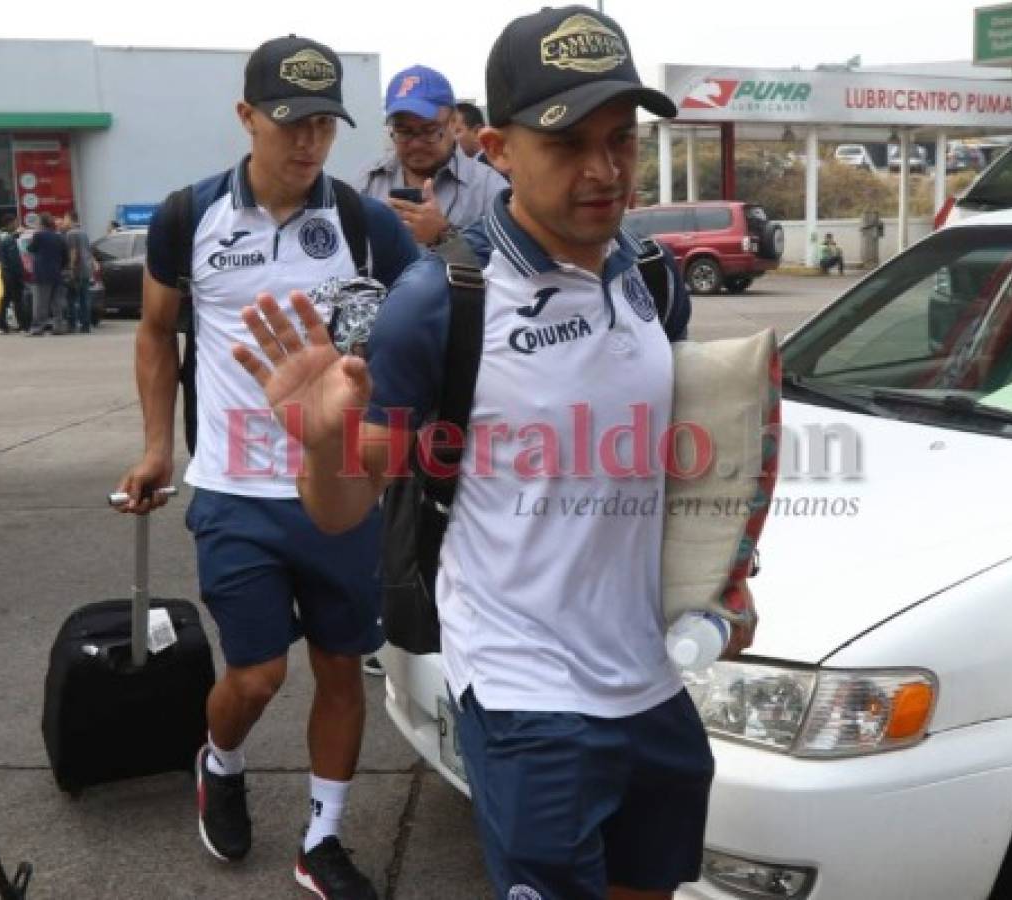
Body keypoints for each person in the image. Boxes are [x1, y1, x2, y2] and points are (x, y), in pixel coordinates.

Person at [234, 8, 759, 899]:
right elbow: (344, 508)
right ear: (497, 149)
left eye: (620, 139)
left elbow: (666, 466)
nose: (603, 170)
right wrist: (323, 448)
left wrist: (722, 575)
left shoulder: (652, 279)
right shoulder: (439, 304)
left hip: (653, 681)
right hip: (526, 698)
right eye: (566, 143)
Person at [115, 34, 418, 900]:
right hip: (235, 490)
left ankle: (321, 839)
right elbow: (154, 332)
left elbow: (423, 320)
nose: (307, 142)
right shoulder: (189, 216)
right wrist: (155, 447)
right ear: (247, 116)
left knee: (337, 666)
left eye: (325, 123)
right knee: (254, 676)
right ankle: (222, 757)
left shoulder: (365, 222)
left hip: (341, 487)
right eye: (289, 121)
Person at [355, 65, 506, 247]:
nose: (416, 143)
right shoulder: (368, 181)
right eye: (404, 131)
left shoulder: (489, 189)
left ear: (452, 122)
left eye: (429, 131)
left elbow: (506, 271)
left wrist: (444, 237)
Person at [26, 213, 68, 335]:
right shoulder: (59, 237)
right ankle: (58, 327)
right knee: (57, 303)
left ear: (41, 223)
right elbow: (65, 257)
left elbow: (30, 249)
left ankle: (38, 328)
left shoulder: (38, 235)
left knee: (40, 303)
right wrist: (59, 267)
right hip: (57, 274)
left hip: (41, 274)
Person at [62, 211, 93, 334]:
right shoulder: (84, 233)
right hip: (86, 269)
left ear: (70, 219)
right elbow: (88, 251)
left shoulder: (71, 234)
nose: (64, 222)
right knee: (84, 299)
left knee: (71, 299)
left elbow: (73, 252)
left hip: (77, 270)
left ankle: (72, 325)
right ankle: (86, 325)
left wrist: (70, 268)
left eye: (65, 218)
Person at [0, 214, 25, 334]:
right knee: (15, 299)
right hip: (9, 272)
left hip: (10, 272)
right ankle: (21, 326)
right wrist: (17, 234)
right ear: (10, 223)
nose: (17, 224)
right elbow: (11, 253)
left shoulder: (11, 237)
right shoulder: (3, 236)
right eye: (15, 222)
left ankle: (3, 325)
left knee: (7, 298)